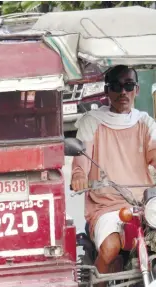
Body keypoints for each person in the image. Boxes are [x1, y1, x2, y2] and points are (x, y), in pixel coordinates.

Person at [71, 65, 156, 284]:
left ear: (137, 90)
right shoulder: (92, 122)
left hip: (144, 205)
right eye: (116, 86)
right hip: (107, 206)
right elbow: (81, 159)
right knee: (109, 248)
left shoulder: (145, 122)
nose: (123, 92)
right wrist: (79, 175)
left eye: (128, 86)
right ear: (107, 91)